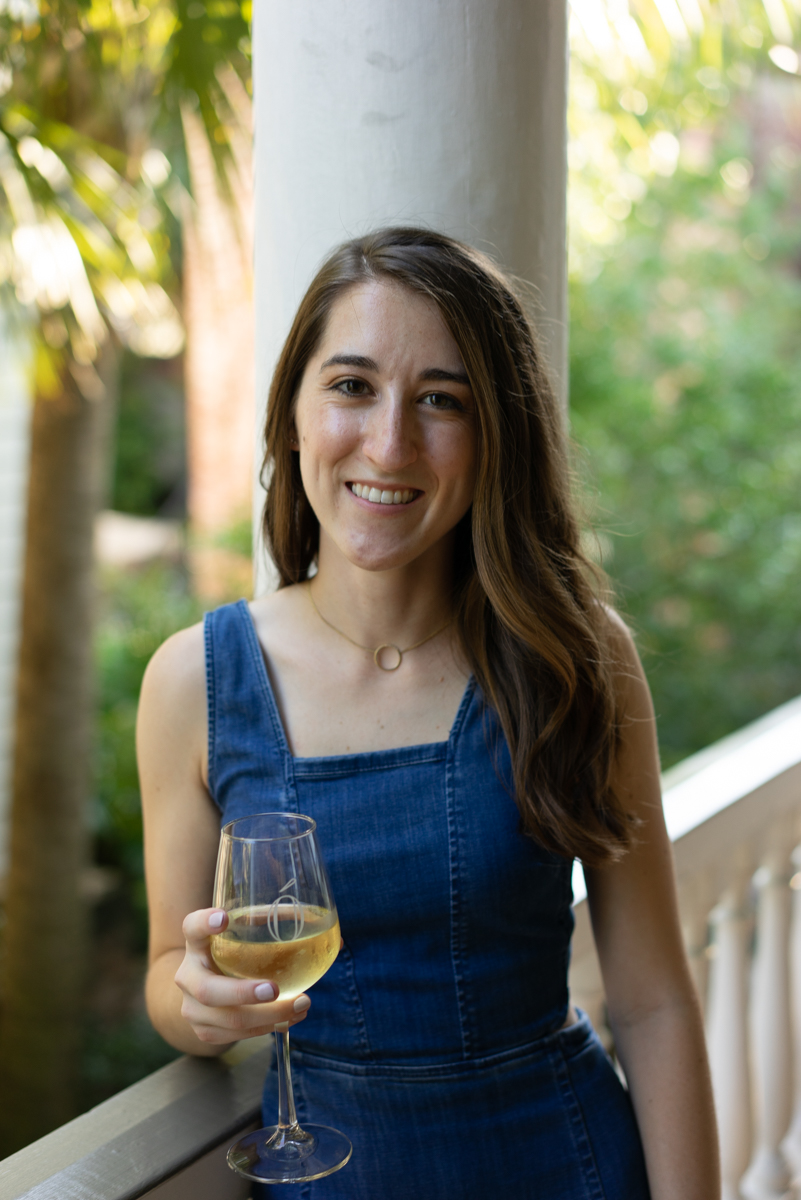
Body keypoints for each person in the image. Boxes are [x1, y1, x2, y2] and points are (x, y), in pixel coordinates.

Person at [138, 227, 719, 1199]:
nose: (390, 443)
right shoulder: (194, 680)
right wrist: (196, 1004)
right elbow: (166, 969)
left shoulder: (579, 658)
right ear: (290, 413)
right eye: (352, 386)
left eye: (440, 400)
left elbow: (653, 1003)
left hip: (568, 1165)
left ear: (496, 436)